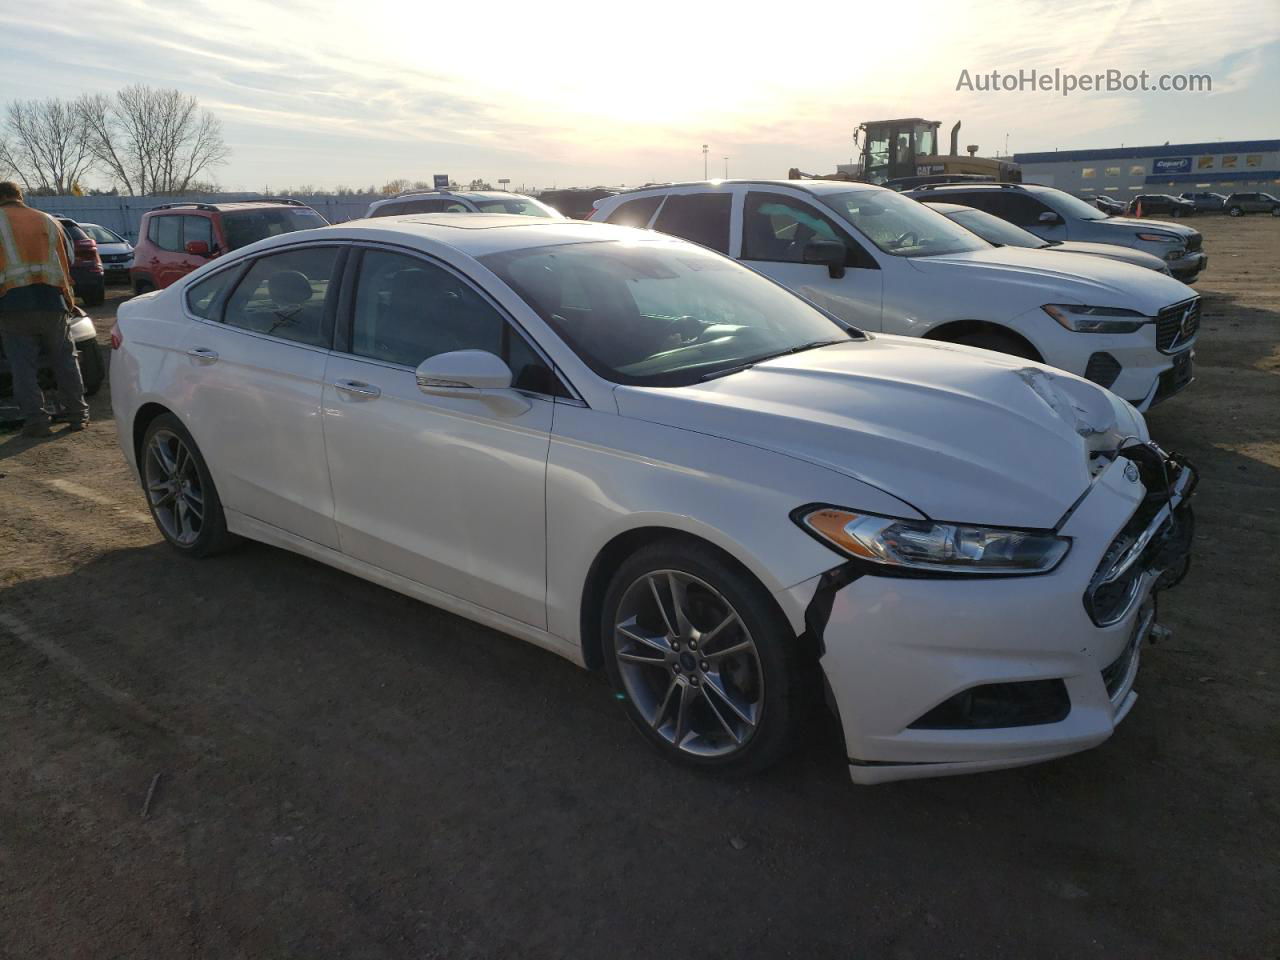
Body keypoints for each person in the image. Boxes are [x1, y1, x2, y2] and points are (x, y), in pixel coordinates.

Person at [0, 180, 89, 437]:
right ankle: (77, 416)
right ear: (20, 196)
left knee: (23, 367)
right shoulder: (49, 221)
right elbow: (68, 258)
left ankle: (37, 422)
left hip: (12, 305)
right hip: (53, 301)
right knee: (65, 361)